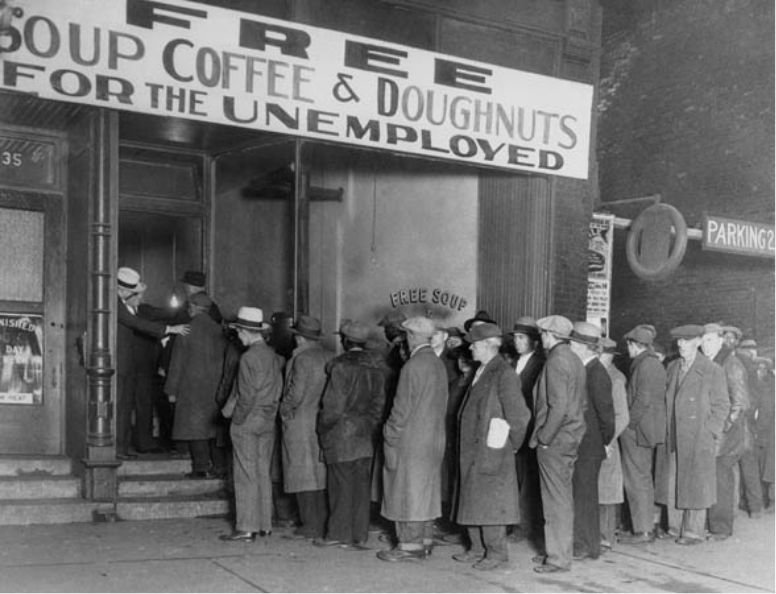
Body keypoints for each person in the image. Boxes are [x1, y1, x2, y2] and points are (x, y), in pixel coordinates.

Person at [452, 322, 529, 570]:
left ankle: (496, 553)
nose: (470, 348)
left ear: (487, 345)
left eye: (474, 344)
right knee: (473, 498)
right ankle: (477, 548)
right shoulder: (483, 369)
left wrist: (511, 445)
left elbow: (519, 416)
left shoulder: (503, 374)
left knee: (491, 502)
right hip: (475, 449)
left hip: (491, 449)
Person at [378, 317, 449, 562]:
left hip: (411, 439)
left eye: (407, 335)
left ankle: (409, 545)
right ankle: (426, 540)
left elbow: (400, 410)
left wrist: (389, 433)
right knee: (426, 490)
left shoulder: (412, 366)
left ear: (413, 337)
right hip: (434, 439)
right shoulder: (438, 364)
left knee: (406, 491)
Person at [316, 321, 388, 548]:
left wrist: (322, 429)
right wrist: (368, 426)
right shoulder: (377, 370)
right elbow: (379, 406)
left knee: (340, 486)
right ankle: (359, 534)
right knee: (360, 486)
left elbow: (332, 408)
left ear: (345, 341)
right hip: (365, 434)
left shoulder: (340, 368)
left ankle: (338, 534)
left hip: (341, 434)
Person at [656, 324, 729, 546]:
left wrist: (709, 432)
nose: (680, 345)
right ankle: (674, 526)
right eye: (678, 341)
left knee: (697, 483)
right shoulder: (672, 367)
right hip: (674, 435)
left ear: (698, 342)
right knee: (674, 480)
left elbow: (722, 405)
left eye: (686, 341)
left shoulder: (711, 370)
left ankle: (693, 531)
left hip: (698, 436)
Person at [219, 307, 283, 542]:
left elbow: (245, 396)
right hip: (268, 420)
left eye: (238, 332)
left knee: (245, 474)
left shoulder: (248, 358)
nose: (237, 336)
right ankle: (265, 524)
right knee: (261, 472)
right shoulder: (273, 356)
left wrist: (236, 420)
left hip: (248, 421)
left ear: (245, 332)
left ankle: (246, 527)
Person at [530, 315, 586, 574]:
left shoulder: (555, 360)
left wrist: (544, 437)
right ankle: (560, 550)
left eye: (542, 334)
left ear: (550, 335)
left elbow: (559, 406)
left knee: (555, 498)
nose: (541, 339)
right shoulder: (574, 358)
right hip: (571, 436)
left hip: (555, 439)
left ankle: (558, 558)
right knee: (562, 496)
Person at [116, 266, 189, 460]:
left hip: (131, 366)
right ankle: (118, 449)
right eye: (134, 293)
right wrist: (169, 330)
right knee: (121, 407)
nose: (138, 297)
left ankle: (121, 449)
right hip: (121, 365)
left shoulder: (122, 303)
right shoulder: (115, 304)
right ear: (122, 290)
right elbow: (136, 323)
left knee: (126, 406)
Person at [279, 315, 335, 541]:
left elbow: (295, 393)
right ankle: (321, 521)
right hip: (322, 419)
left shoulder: (300, 359)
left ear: (300, 339)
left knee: (301, 473)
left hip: (299, 421)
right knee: (320, 474)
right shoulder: (330, 356)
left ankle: (309, 524)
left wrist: (284, 409)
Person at [164, 293, 227, 477]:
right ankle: (219, 467)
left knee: (195, 428)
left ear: (193, 307)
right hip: (216, 386)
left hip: (191, 387)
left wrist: (171, 390)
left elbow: (177, 363)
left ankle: (201, 468)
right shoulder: (219, 330)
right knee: (213, 429)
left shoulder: (186, 330)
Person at [567, 321, 615, 562]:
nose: (571, 346)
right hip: (584, 443)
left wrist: (603, 441)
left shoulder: (596, 373)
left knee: (585, 496)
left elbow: (607, 413)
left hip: (590, 445)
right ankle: (581, 544)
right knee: (580, 494)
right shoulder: (584, 369)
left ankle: (586, 546)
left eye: (574, 343)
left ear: (586, 347)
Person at [618, 324, 667, 544]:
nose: (627, 349)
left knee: (635, 479)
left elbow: (642, 401)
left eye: (628, 345)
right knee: (643, 478)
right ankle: (645, 526)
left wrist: (628, 424)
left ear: (635, 345)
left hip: (637, 432)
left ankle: (643, 530)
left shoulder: (644, 365)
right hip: (648, 430)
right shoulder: (653, 363)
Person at [702, 323, 752, 540]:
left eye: (710, 340)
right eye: (703, 340)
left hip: (725, 437)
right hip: (715, 434)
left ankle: (721, 528)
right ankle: (715, 523)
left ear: (721, 340)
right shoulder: (712, 362)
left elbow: (740, 402)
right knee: (714, 479)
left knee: (722, 480)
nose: (705, 344)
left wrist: (722, 427)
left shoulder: (731, 364)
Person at [510, 316, 545, 544]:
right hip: (515, 428)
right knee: (516, 477)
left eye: (522, 338)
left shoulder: (540, 364)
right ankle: (516, 523)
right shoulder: (514, 363)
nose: (517, 342)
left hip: (529, 428)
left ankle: (525, 527)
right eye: (515, 338)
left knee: (528, 481)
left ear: (534, 341)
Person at [597, 337, 629, 552]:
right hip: (596, 442)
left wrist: (606, 441)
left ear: (607, 355)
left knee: (606, 493)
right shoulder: (598, 373)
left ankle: (606, 537)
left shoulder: (615, 379)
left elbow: (622, 417)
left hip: (607, 444)